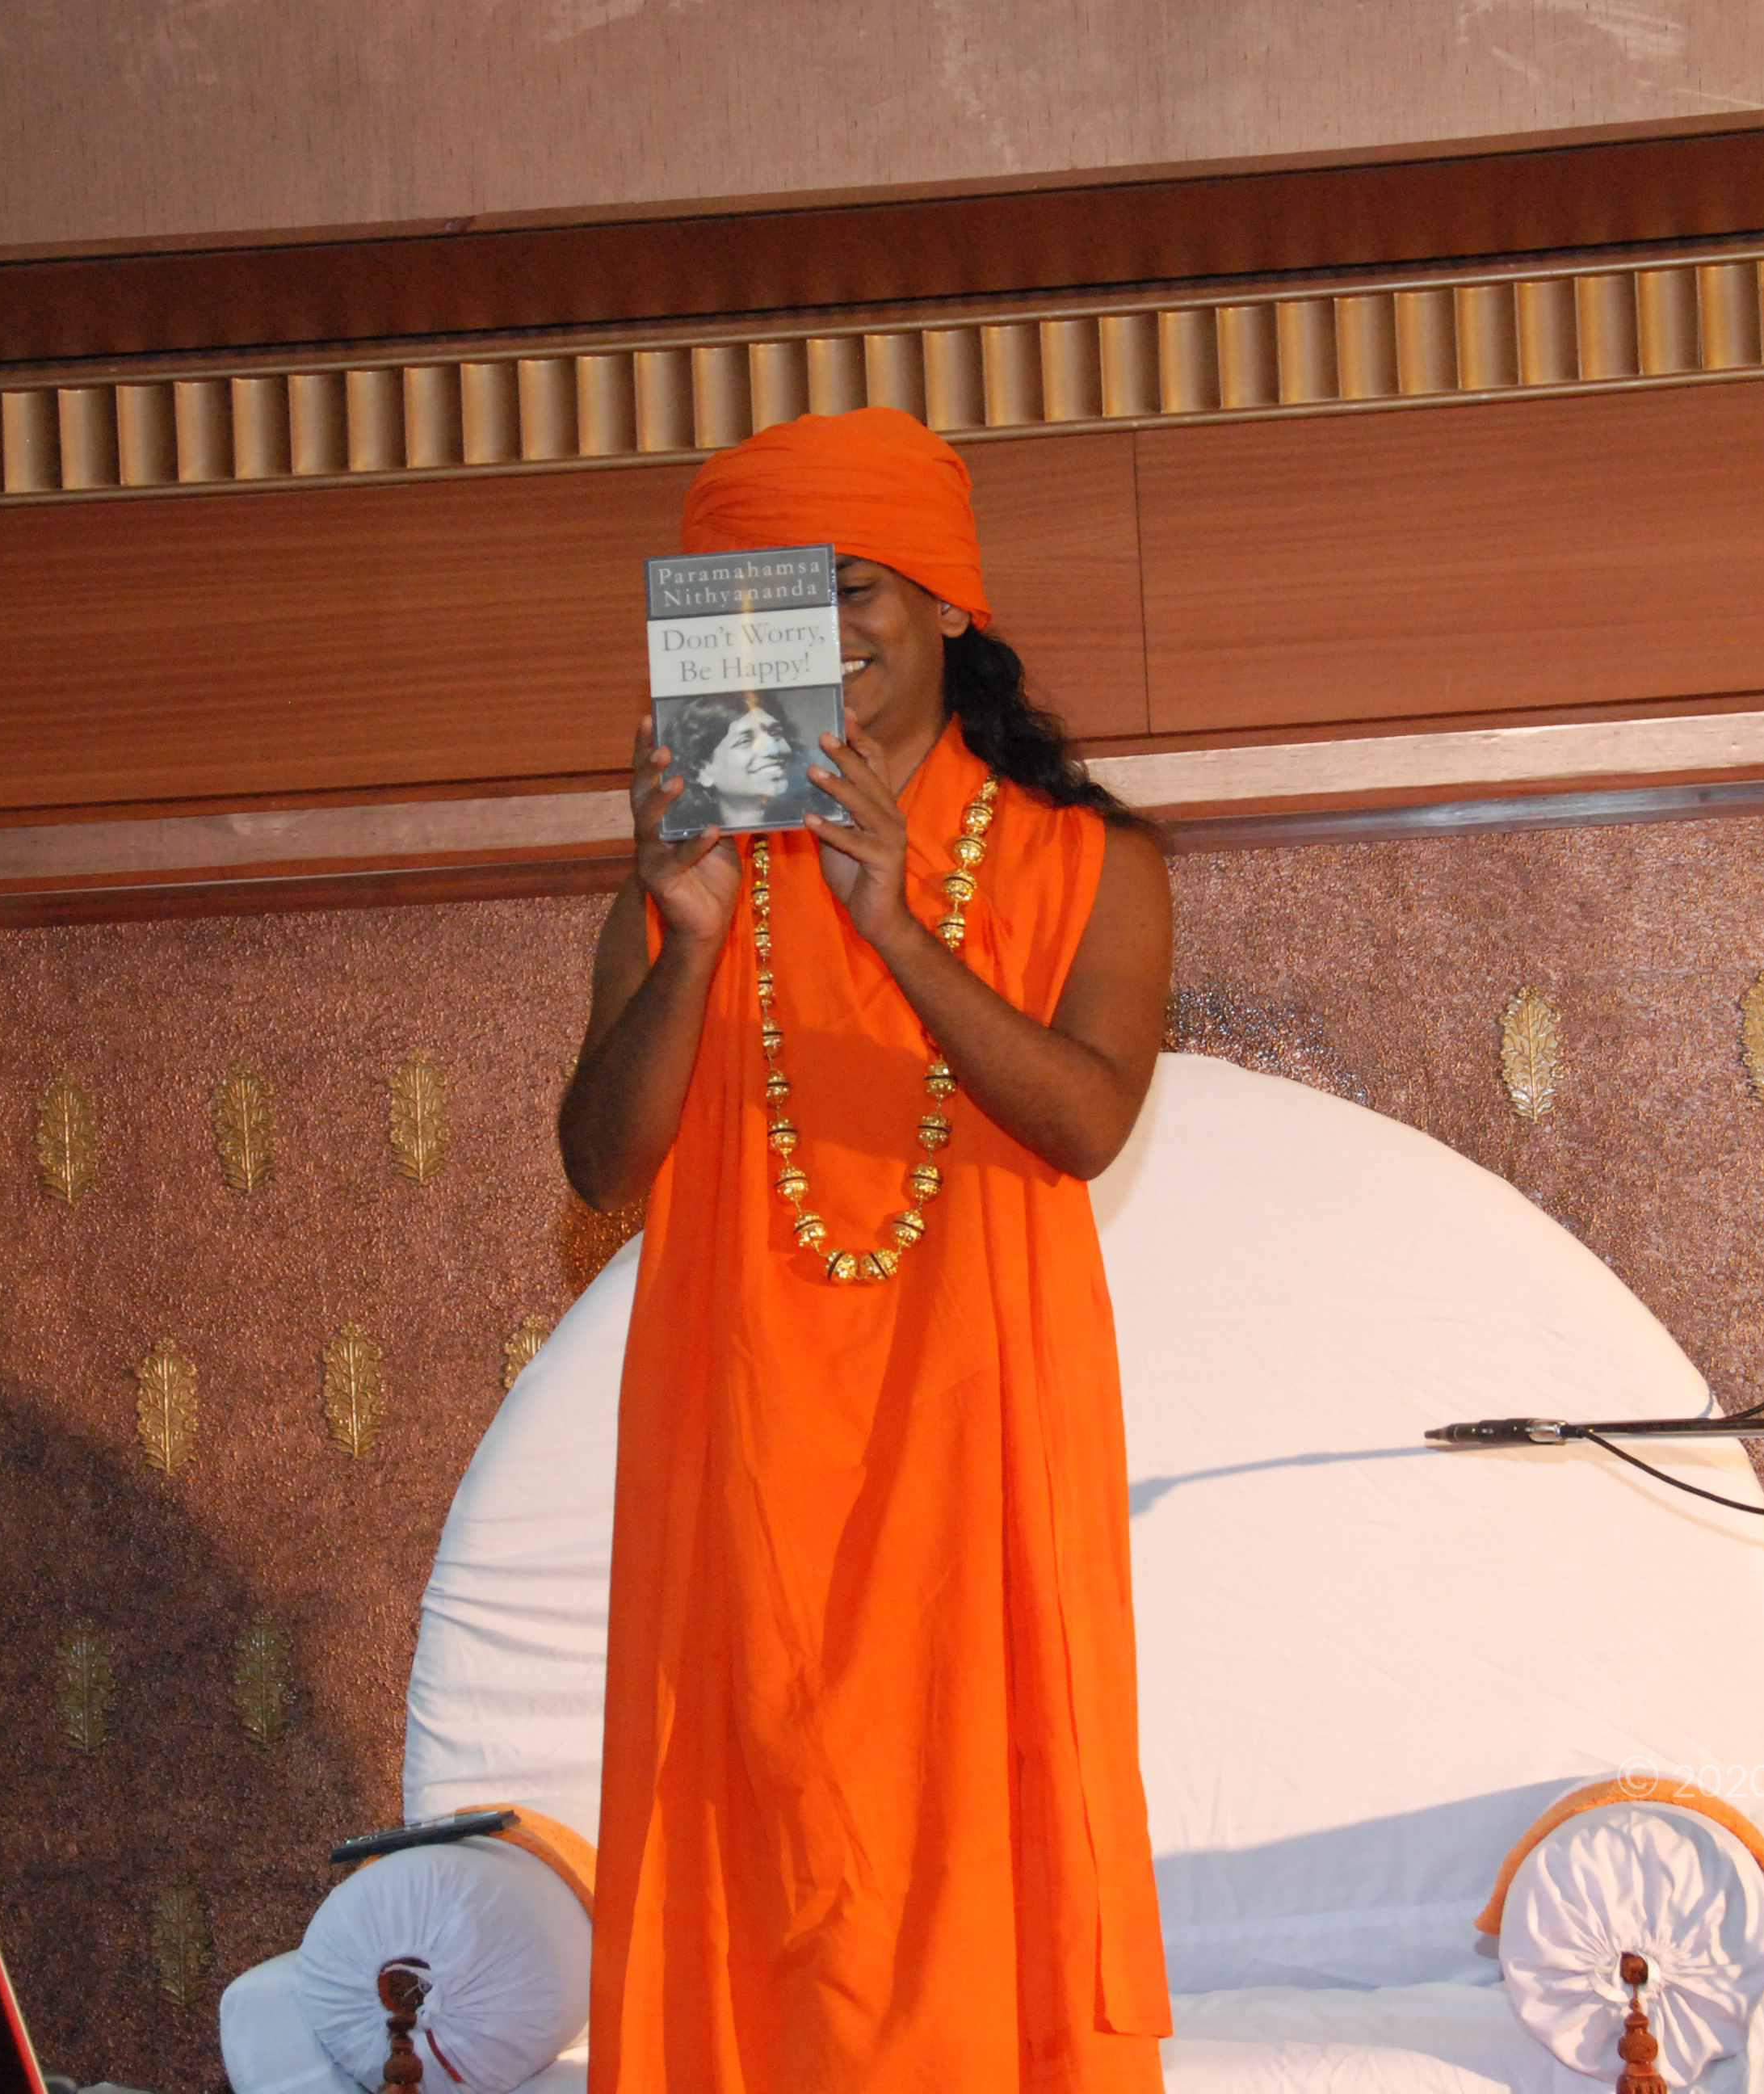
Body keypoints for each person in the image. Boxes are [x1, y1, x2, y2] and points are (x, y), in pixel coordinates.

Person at [558, 406, 1175, 2092]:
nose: (817, 635)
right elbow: (600, 1162)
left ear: (949, 602)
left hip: (982, 1438)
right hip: (743, 1441)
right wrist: (689, 941)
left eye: (848, 588)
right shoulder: (685, 869)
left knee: (984, 1839)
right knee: (758, 1856)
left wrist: (891, 924)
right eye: (769, 601)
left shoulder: (1087, 860)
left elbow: (1086, 1121)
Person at [662, 687, 830, 834]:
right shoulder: (681, 842)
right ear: (701, 771)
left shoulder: (826, 823)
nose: (774, 749)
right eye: (745, 741)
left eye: (775, 733)